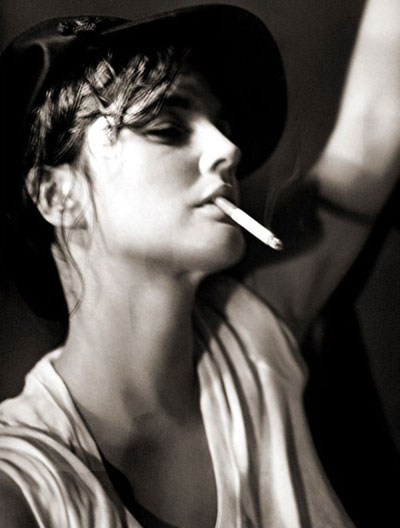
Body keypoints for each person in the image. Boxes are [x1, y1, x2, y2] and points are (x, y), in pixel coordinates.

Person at [0, 2, 399, 527]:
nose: (229, 148)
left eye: (221, 123)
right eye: (167, 127)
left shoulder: (251, 342)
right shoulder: (20, 491)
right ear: (57, 195)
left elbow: (376, 125)